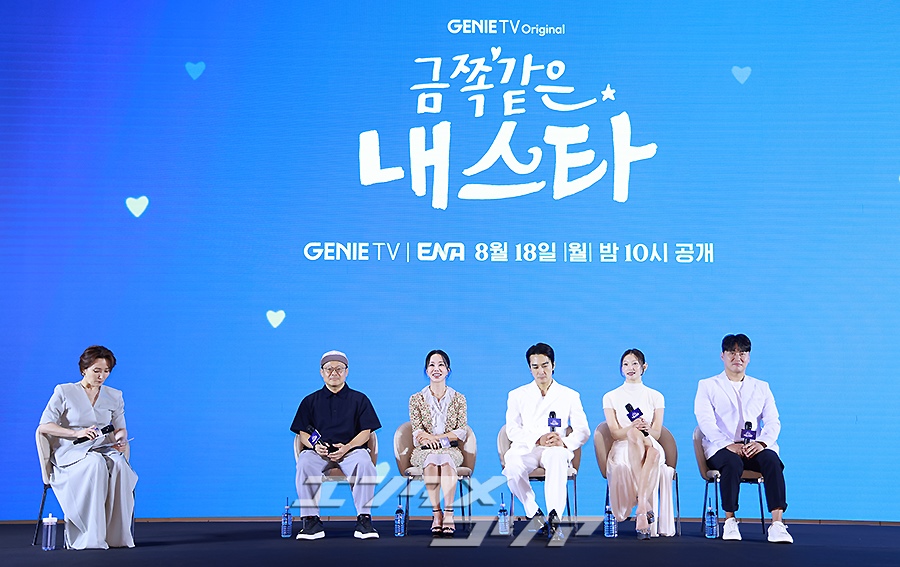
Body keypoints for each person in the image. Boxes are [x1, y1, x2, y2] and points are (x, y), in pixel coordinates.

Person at [694, 334, 793, 543]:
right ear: (722, 356)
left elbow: (773, 421)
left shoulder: (762, 386)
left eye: (742, 353)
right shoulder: (707, 385)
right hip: (721, 447)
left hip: (753, 446)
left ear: (749, 357)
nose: (737, 357)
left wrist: (761, 443)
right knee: (731, 462)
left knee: (772, 460)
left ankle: (777, 524)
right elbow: (705, 422)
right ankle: (730, 520)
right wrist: (728, 445)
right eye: (732, 352)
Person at [37, 345, 138, 550]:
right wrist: (76, 433)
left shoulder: (114, 395)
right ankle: (89, 535)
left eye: (106, 371)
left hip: (101, 447)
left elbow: (120, 428)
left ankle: (116, 536)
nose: (102, 376)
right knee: (95, 464)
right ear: (84, 369)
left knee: (119, 464)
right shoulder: (64, 391)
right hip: (71, 450)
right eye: (96, 371)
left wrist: (120, 440)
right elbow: (44, 426)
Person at [290, 350, 381, 540]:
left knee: (365, 462)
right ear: (321, 372)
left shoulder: (360, 399)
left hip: (350, 451)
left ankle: (364, 519)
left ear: (347, 371)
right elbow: (303, 433)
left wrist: (347, 447)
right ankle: (311, 521)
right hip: (319, 452)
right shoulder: (309, 401)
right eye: (329, 369)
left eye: (339, 369)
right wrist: (315, 447)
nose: (334, 373)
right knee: (304, 462)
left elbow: (366, 432)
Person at [503, 342, 590, 537]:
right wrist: (537, 439)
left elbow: (583, 431)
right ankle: (534, 513)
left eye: (545, 365)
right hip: (528, 447)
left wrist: (564, 442)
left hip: (555, 447)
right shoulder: (517, 395)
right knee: (512, 464)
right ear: (530, 368)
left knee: (557, 457)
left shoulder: (569, 395)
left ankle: (554, 517)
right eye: (535, 367)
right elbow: (512, 430)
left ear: (553, 365)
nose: (541, 371)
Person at [602, 349, 675, 539]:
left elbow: (657, 433)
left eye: (635, 363)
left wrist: (646, 428)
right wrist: (632, 428)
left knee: (651, 447)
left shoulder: (656, 396)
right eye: (625, 364)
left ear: (644, 367)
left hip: (649, 440)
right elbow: (615, 433)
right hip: (623, 446)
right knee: (649, 450)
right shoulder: (610, 396)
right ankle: (644, 506)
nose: (630, 368)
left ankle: (642, 507)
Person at [408, 349, 468, 536]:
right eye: (432, 365)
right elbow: (417, 431)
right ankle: (436, 513)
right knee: (432, 462)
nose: (436, 369)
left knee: (447, 461)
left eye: (441, 365)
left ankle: (449, 512)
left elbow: (461, 431)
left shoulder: (459, 398)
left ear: (448, 370)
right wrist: (430, 440)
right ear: (426, 370)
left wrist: (438, 439)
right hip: (424, 450)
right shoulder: (416, 399)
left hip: (450, 449)